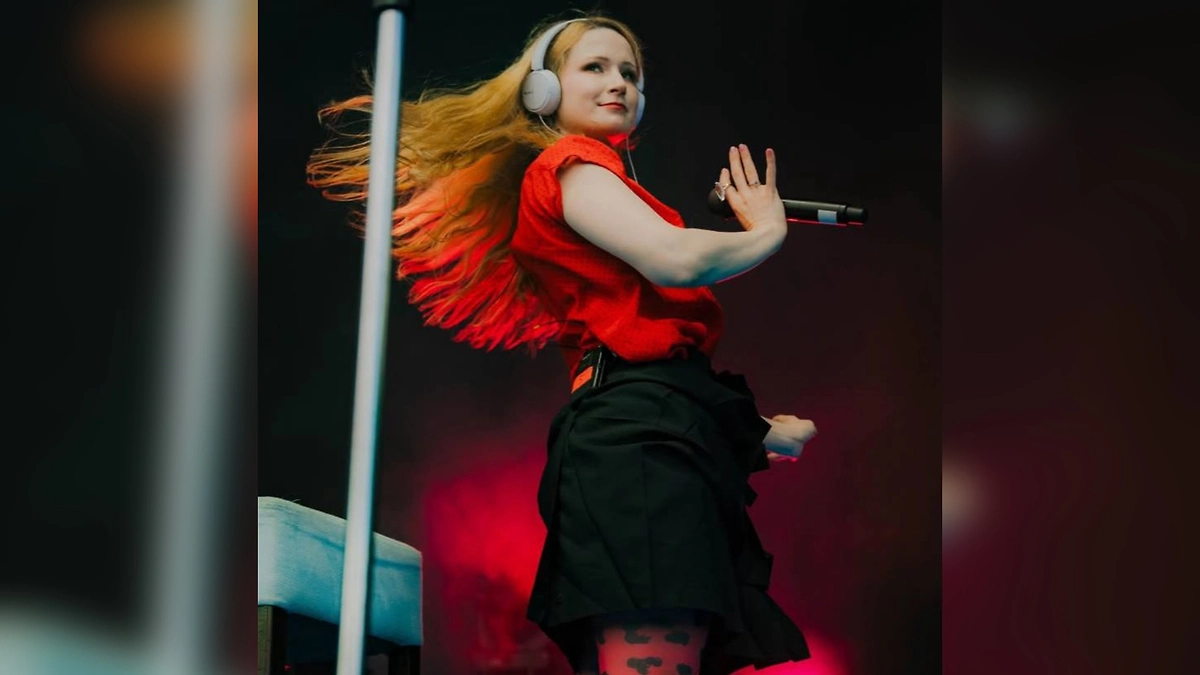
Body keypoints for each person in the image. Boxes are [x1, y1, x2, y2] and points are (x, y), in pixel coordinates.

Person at [308, 12, 818, 675]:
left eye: (630, 73)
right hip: (634, 453)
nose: (619, 83)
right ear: (544, 89)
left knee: (670, 649)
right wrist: (766, 232)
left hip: (650, 443)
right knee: (657, 651)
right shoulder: (569, 165)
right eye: (595, 67)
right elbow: (675, 260)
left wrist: (756, 430)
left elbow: (650, 359)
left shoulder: (600, 181)